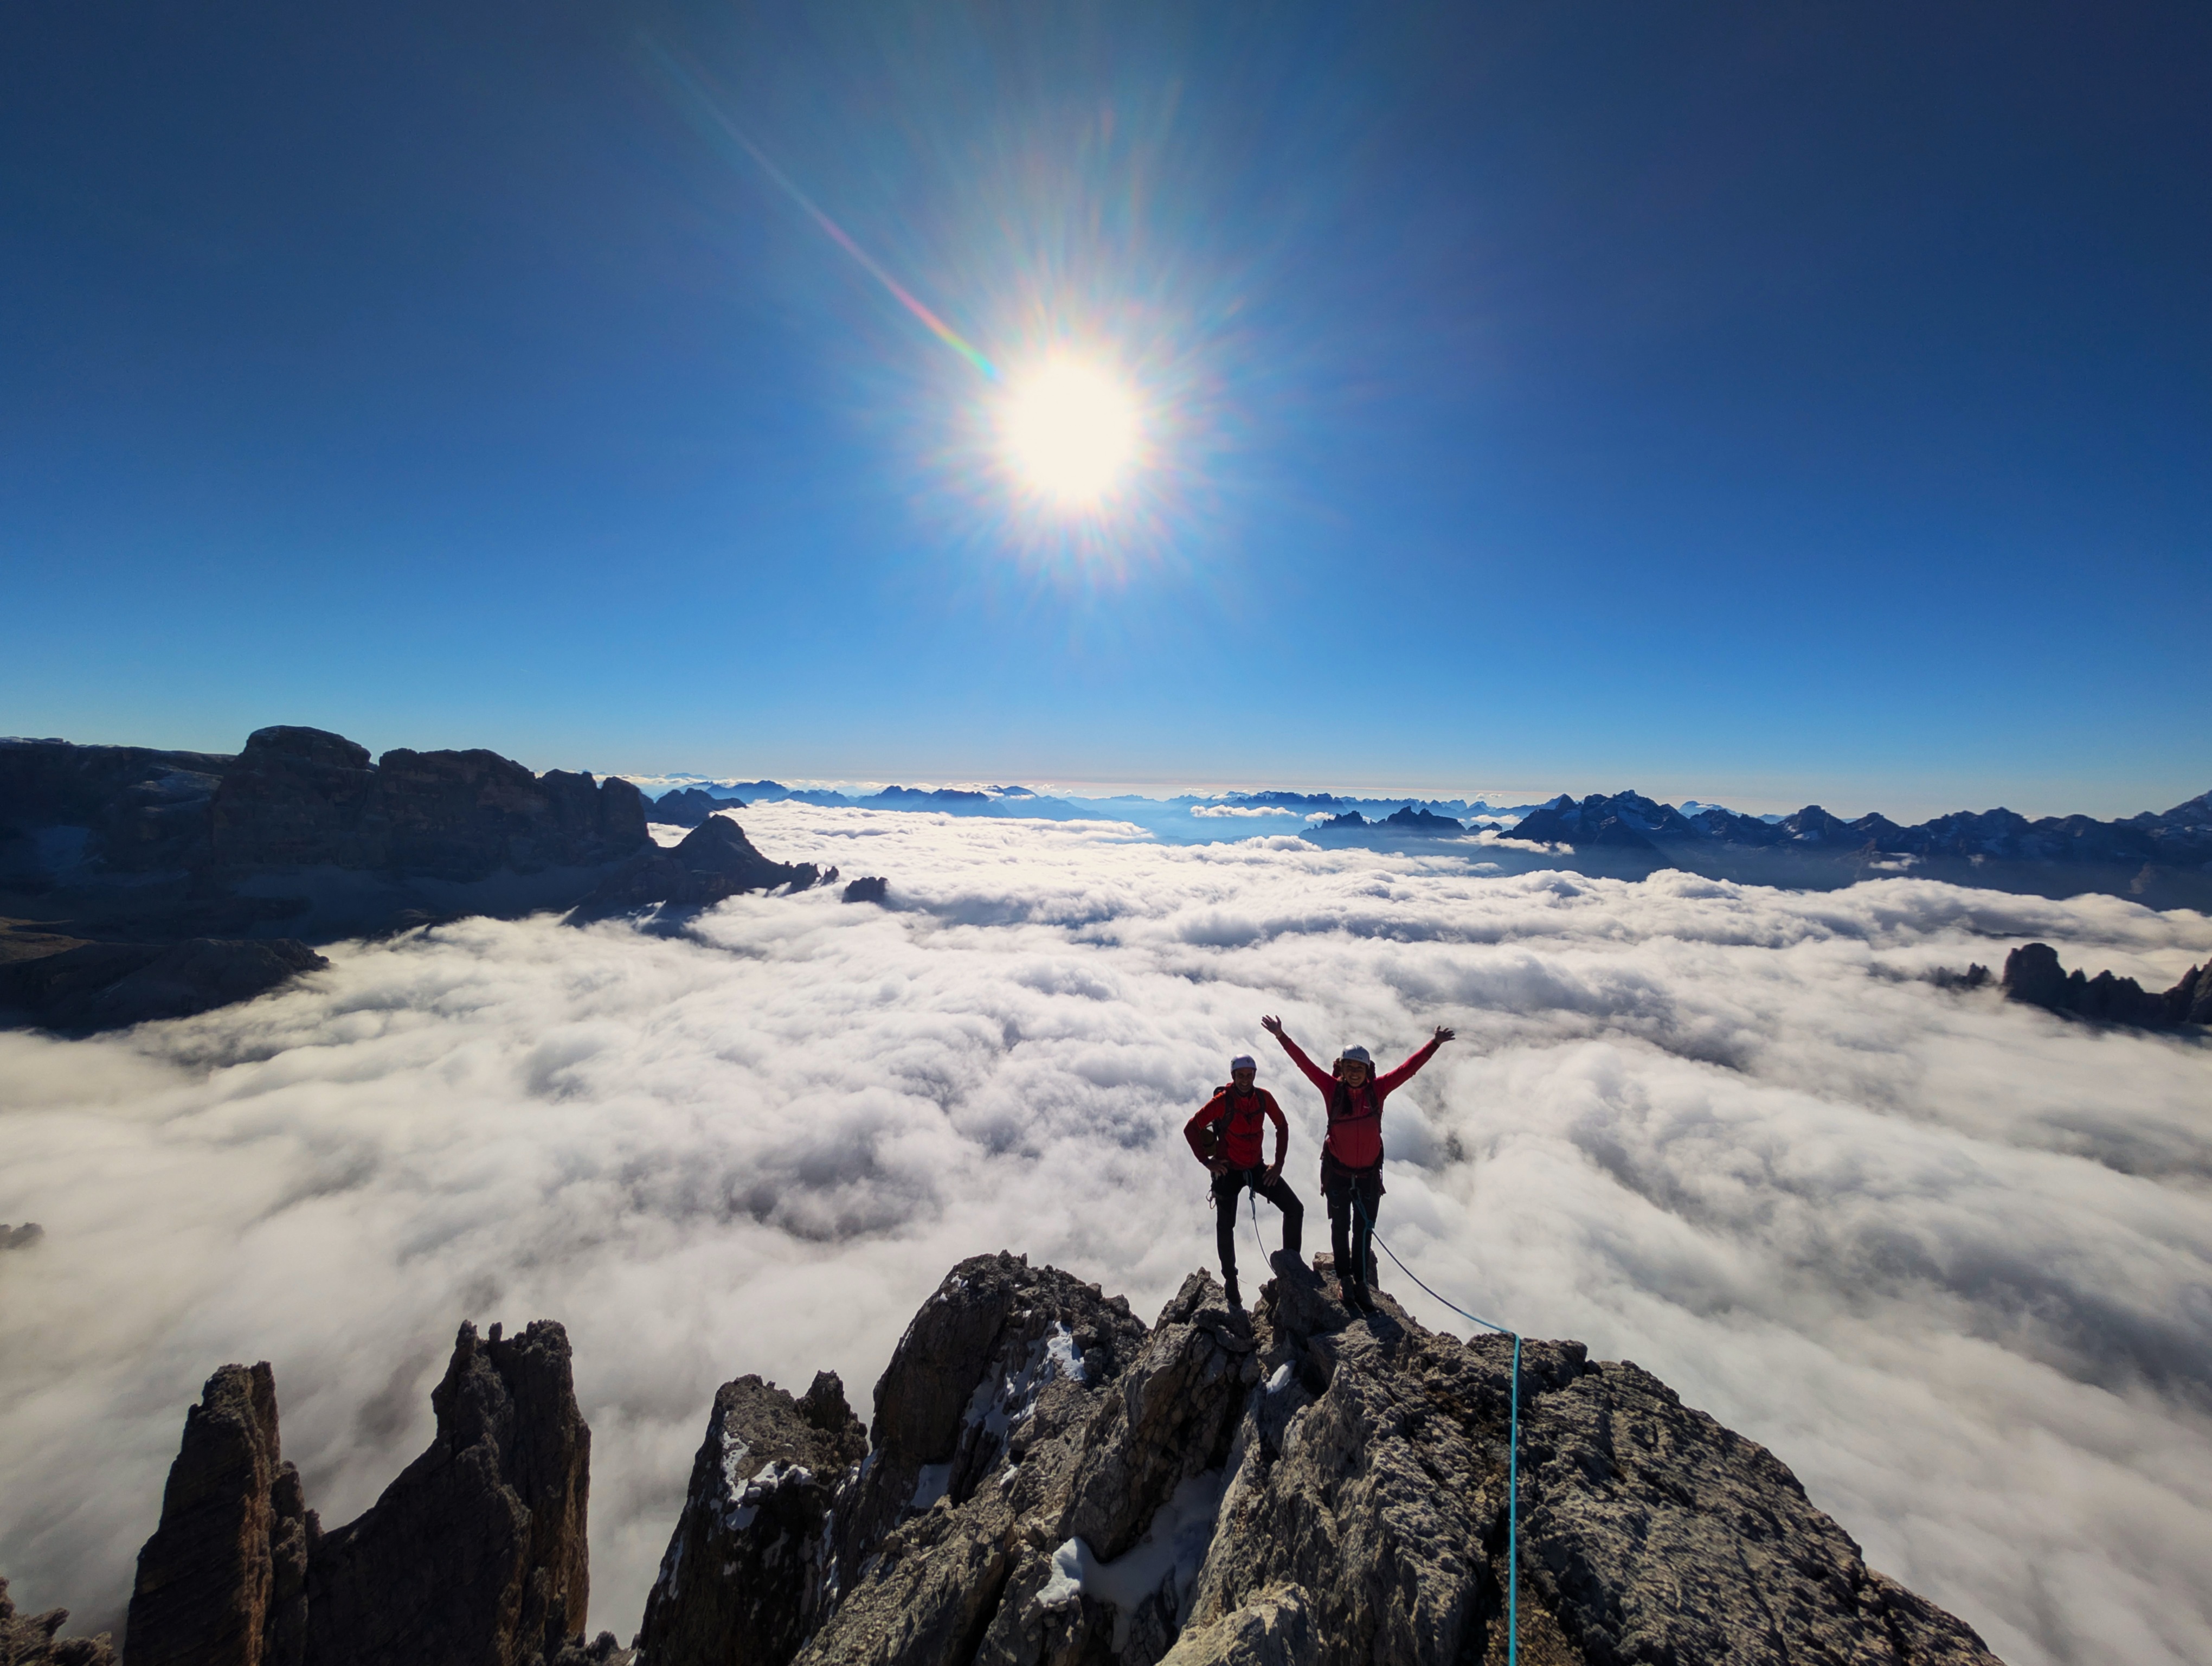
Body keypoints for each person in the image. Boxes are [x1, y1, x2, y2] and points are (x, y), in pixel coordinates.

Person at [1262, 1015, 1454, 1316]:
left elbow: (1408, 1069)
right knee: (1340, 1228)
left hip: (1367, 1177)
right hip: (1339, 1174)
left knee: (1363, 1231)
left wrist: (1434, 1045)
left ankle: (1361, 1282)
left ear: (1367, 1070)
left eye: (1359, 1068)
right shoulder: (1332, 1089)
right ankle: (1345, 1280)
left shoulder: (1377, 1090)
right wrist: (1281, 1036)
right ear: (1341, 1068)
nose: (1354, 1073)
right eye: (1349, 1067)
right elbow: (1306, 1065)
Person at [1183, 1054, 1304, 1310]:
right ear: (1233, 1076)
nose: (1246, 1080)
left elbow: (1282, 1125)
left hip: (1257, 1168)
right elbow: (1191, 1128)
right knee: (1226, 1225)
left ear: (1255, 1075)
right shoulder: (1222, 1102)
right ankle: (1231, 1280)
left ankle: (1292, 1269)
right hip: (1228, 1170)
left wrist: (1278, 1165)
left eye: (1249, 1075)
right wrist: (1207, 1162)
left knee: (1295, 1209)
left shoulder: (1263, 1098)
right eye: (1241, 1076)